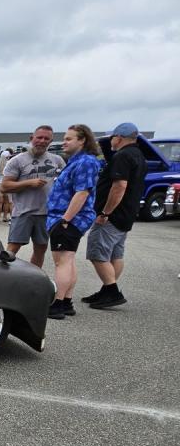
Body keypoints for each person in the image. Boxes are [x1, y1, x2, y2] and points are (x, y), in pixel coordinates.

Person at [82, 122, 148, 309]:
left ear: (119, 137)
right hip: (128, 212)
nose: (111, 140)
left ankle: (112, 291)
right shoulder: (138, 154)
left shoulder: (123, 156)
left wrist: (105, 212)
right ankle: (106, 289)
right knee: (115, 253)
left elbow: (119, 186)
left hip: (113, 214)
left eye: (113, 137)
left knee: (98, 253)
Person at [44, 125, 102, 319]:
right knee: (67, 260)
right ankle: (66, 301)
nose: (64, 142)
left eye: (69, 138)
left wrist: (65, 220)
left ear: (82, 140)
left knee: (62, 262)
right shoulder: (76, 161)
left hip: (69, 219)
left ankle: (57, 303)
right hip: (66, 218)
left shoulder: (86, 162)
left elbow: (82, 192)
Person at [1, 127, 65, 268]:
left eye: (46, 139)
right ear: (31, 138)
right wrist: (29, 183)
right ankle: (0, 279)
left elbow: (64, 186)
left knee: (40, 249)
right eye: (39, 137)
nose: (42, 141)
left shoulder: (57, 160)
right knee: (12, 249)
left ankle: (34, 278)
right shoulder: (17, 160)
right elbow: (4, 186)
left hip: (46, 214)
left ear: (51, 142)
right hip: (23, 212)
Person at [0, 148, 14, 222]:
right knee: (7, 202)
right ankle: (5, 217)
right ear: (8, 157)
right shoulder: (10, 164)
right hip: (7, 184)